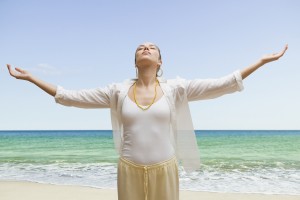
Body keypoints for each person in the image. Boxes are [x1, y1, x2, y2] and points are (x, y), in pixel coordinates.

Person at [6, 42, 288, 200]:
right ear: (135, 61)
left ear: (160, 62)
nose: (146, 48)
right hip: (128, 168)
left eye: (152, 47)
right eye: (141, 47)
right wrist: (31, 78)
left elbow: (223, 84)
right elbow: (70, 96)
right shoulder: (116, 91)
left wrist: (261, 62)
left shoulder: (176, 88)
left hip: (165, 169)